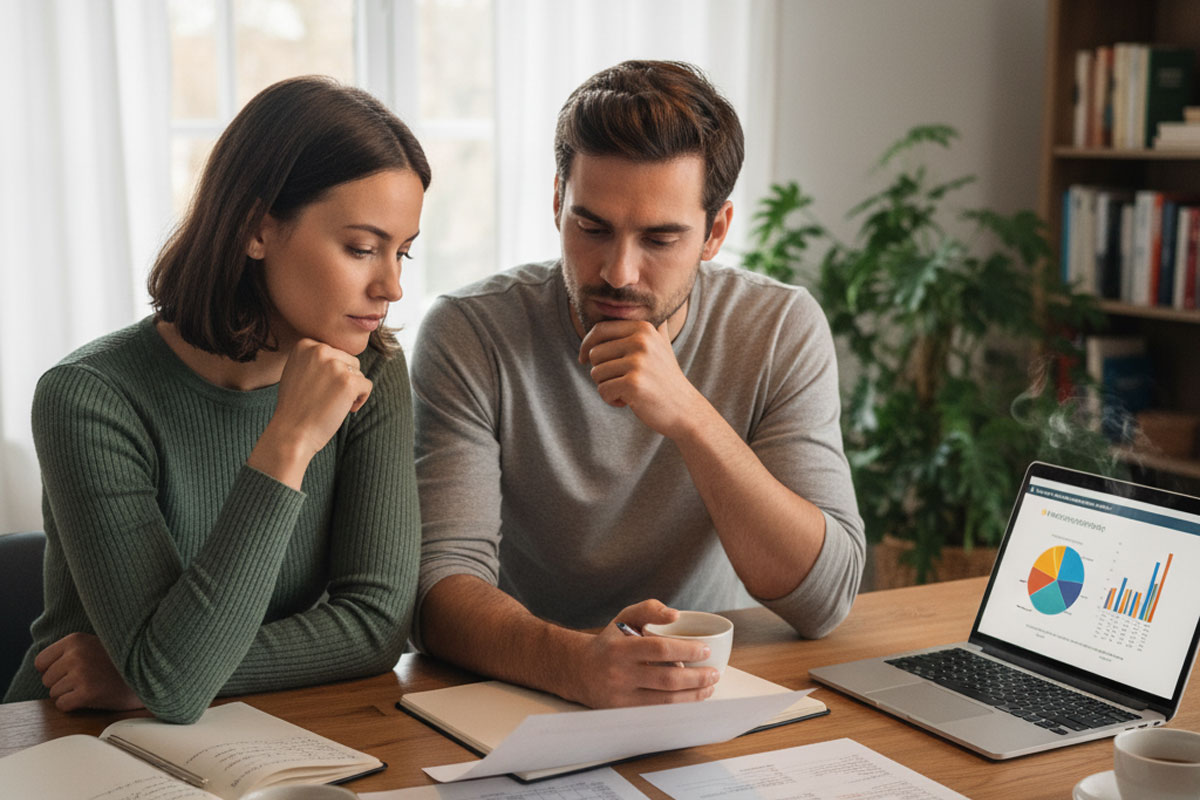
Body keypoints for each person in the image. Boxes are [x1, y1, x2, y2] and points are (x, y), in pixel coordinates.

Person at [412, 60, 864, 709]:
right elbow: (436, 589)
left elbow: (824, 599)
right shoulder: (471, 332)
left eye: (659, 238)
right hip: (520, 688)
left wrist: (690, 415)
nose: (619, 272)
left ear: (714, 232)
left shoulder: (778, 328)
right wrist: (576, 666)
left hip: (704, 689)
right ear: (557, 202)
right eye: (592, 228)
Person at [3, 76, 429, 724]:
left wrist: (147, 672)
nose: (392, 286)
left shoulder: (372, 372)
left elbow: (376, 627)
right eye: (362, 248)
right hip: (69, 734)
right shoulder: (89, 400)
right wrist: (289, 441)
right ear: (256, 230)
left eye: (403, 253)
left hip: (251, 727)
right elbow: (173, 685)